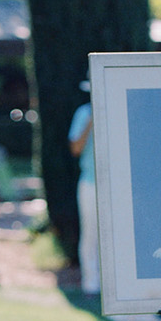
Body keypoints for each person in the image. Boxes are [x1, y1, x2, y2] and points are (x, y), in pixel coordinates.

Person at [68, 80, 100, 295]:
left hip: (114, 185)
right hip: (90, 182)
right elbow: (76, 148)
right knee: (90, 233)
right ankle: (91, 283)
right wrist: (92, 121)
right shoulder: (84, 113)